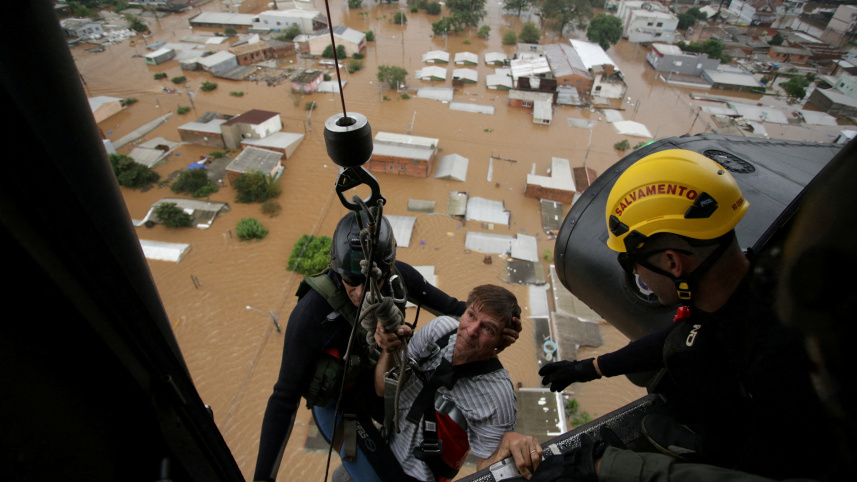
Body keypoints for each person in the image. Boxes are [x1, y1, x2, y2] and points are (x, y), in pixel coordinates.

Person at [538, 149, 829, 479]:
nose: (635, 272)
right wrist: (587, 368)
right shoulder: (755, 287)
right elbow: (688, 331)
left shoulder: (781, 361)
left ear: (672, 262)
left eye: (630, 261)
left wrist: (603, 467)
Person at [254, 211, 519, 482]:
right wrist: (264, 477)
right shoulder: (311, 314)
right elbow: (284, 398)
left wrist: (501, 328)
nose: (361, 293)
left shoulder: (398, 279)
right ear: (336, 270)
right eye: (351, 281)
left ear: (388, 269)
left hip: (382, 395)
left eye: (373, 281)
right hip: (340, 409)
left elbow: (456, 311)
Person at [371, 284, 543, 482]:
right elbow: (383, 389)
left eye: (488, 328)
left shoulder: (497, 396)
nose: (471, 331)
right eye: (471, 315)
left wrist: (508, 444)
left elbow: (485, 472)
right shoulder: (439, 331)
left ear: (501, 342)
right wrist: (389, 348)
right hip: (384, 445)